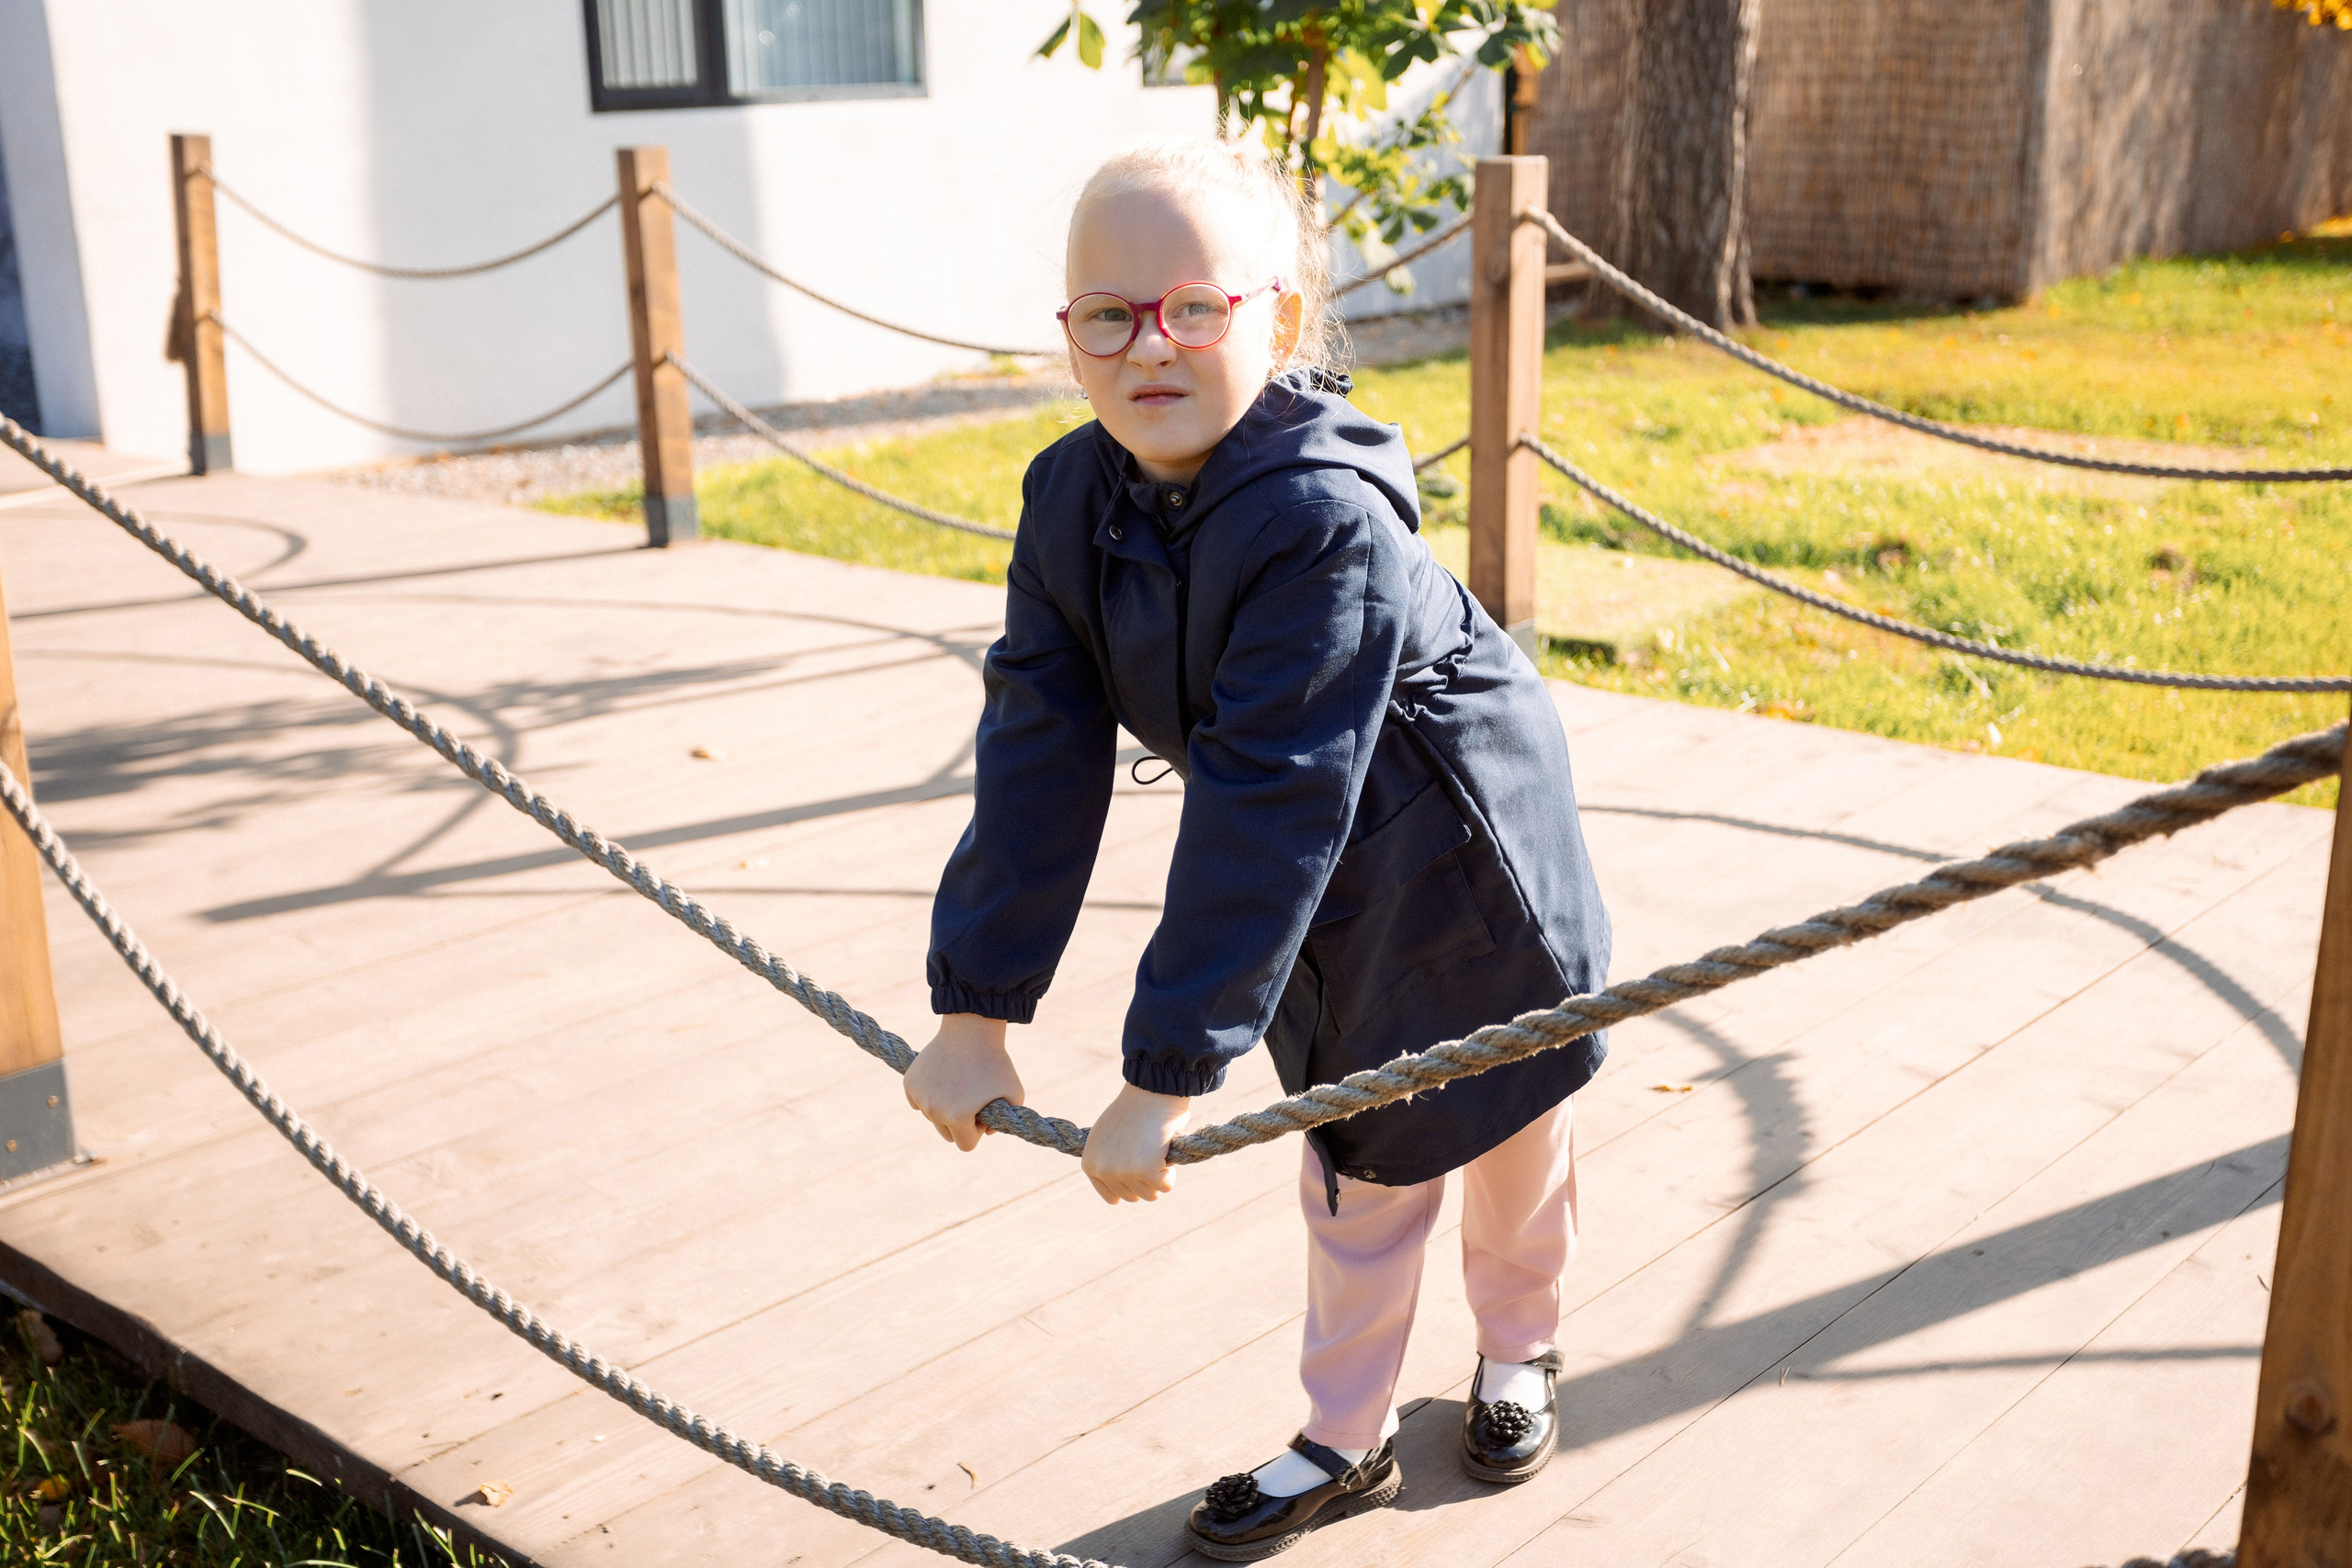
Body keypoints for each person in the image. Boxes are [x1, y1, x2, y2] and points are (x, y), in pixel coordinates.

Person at [902, 137, 1611, 1562]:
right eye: (1107, 314)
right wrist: (974, 1011)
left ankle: (1519, 1351)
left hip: (1464, 852)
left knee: (1511, 1128)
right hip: (1322, 886)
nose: (1146, 347)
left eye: (1193, 309)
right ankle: (1345, 1439)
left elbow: (1270, 794)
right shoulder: (1069, 503)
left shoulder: (1318, 517)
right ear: (1069, 334)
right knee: (1357, 1157)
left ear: (1276, 322)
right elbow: (1037, 753)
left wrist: (1164, 1070)